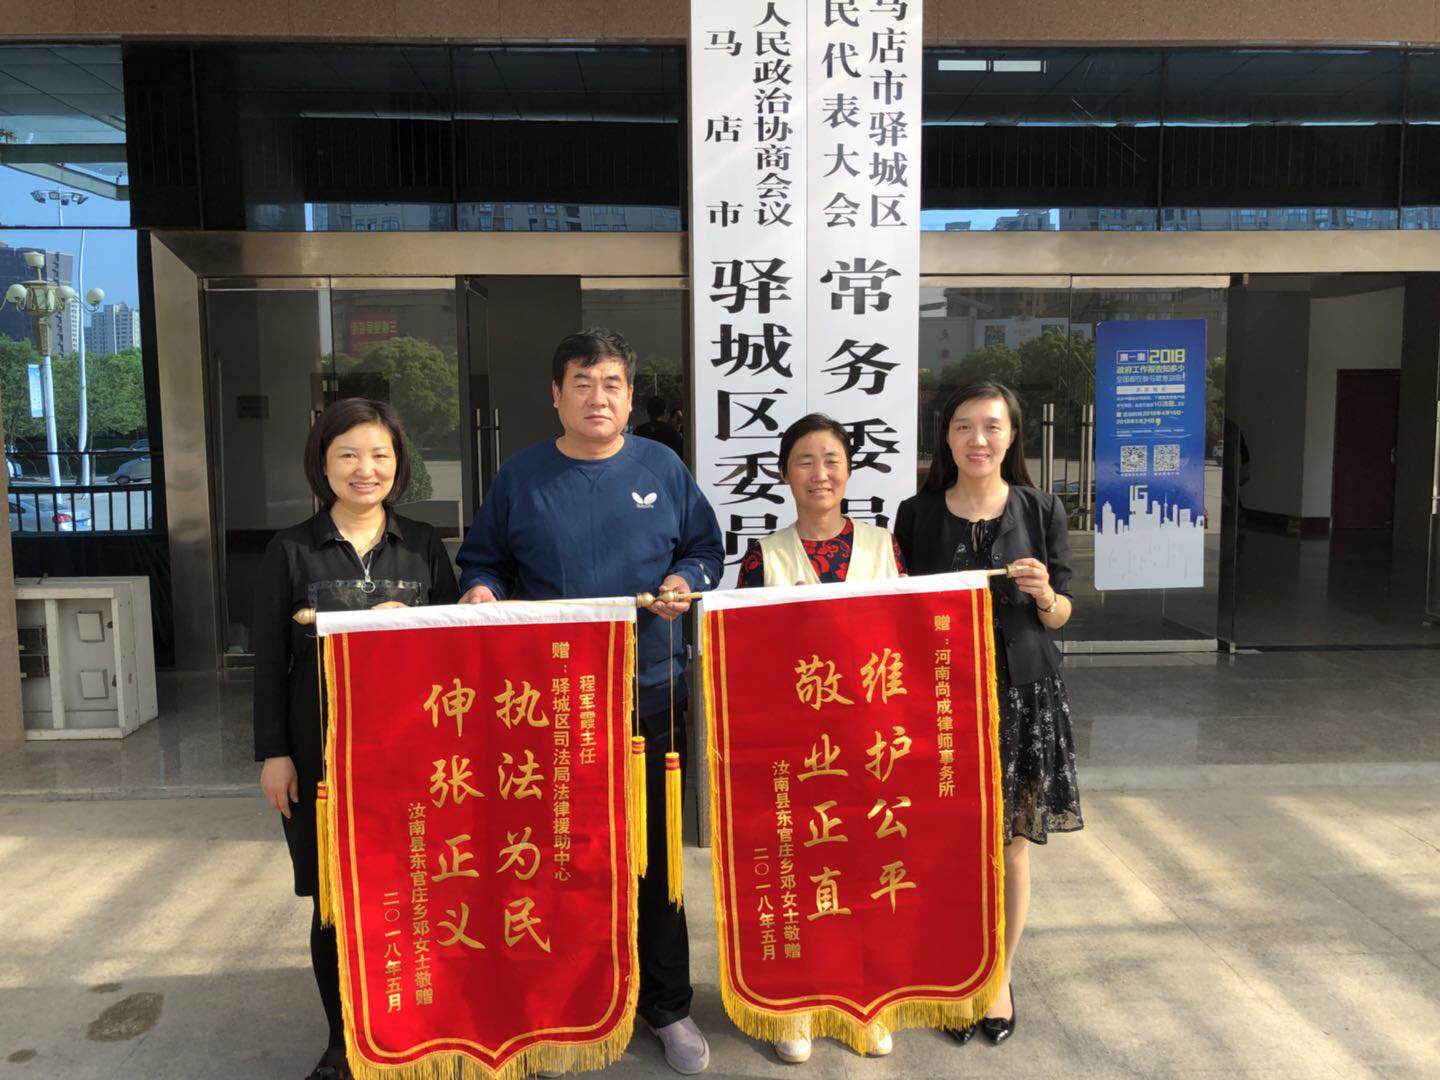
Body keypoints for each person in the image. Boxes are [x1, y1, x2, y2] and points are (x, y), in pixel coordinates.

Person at [455, 327, 723, 1076]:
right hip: (552, 706)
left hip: (651, 696)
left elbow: (705, 550)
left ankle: (666, 1006)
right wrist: (482, 590)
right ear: (555, 395)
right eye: (581, 382)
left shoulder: (662, 467)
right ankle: (566, 1003)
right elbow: (484, 561)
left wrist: (684, 583)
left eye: (611, 384)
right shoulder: (521, 476)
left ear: (631, 397)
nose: (597, 397)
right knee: (560, 858)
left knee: (656, 859)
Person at [253, 398, 459, 1080]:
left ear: (399, 464)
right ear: (323, 463)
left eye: (379, 455)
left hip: (415, 758)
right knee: (335, 903)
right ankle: (345, 1041)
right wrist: (274, 754)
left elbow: (455, 651)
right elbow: (269, 662)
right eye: (347, 454)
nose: (364, 469)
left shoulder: (424, 545)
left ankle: (422, 1024)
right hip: (321, 759)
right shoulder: (290, 549)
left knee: (420, 891)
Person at [894, 382, 1083, 1050]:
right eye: (964, 426)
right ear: (946, 437)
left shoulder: (1041, 507)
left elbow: (1062, 616)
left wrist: (1045, 594)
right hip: (940, 702)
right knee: (947, 844)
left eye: (992, 426)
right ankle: (956, 972)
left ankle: (997, 976)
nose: (978, 439)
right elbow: (896, 614)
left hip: (1021, 697)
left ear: (1012, 436)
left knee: (1010, 846)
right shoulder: (916, 514)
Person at [736, 413, 905, 1064]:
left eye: (831, 460)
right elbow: (745, 655)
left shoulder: (883, 548)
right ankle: (796, 1004)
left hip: (868, 746)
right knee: (799, 876)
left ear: (850, 470)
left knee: (865, 872)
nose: (819, 473)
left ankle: (865, 1003)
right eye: (804, 461)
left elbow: (907, 639)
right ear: (785, 473)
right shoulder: (766, 555)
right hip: (795, 750)